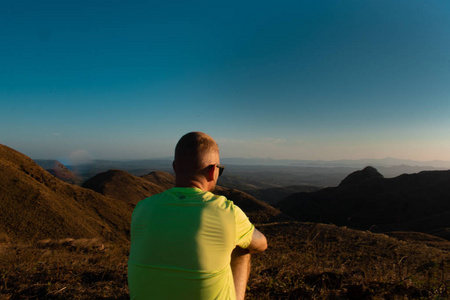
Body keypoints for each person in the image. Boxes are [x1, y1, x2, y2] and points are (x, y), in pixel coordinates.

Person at [128, 132, 268, 300]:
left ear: (174, 167)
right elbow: (261, 244)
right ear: (212, 171)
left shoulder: (142, 208)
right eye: (219, 170)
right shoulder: (226, 212)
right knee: (242, 247)